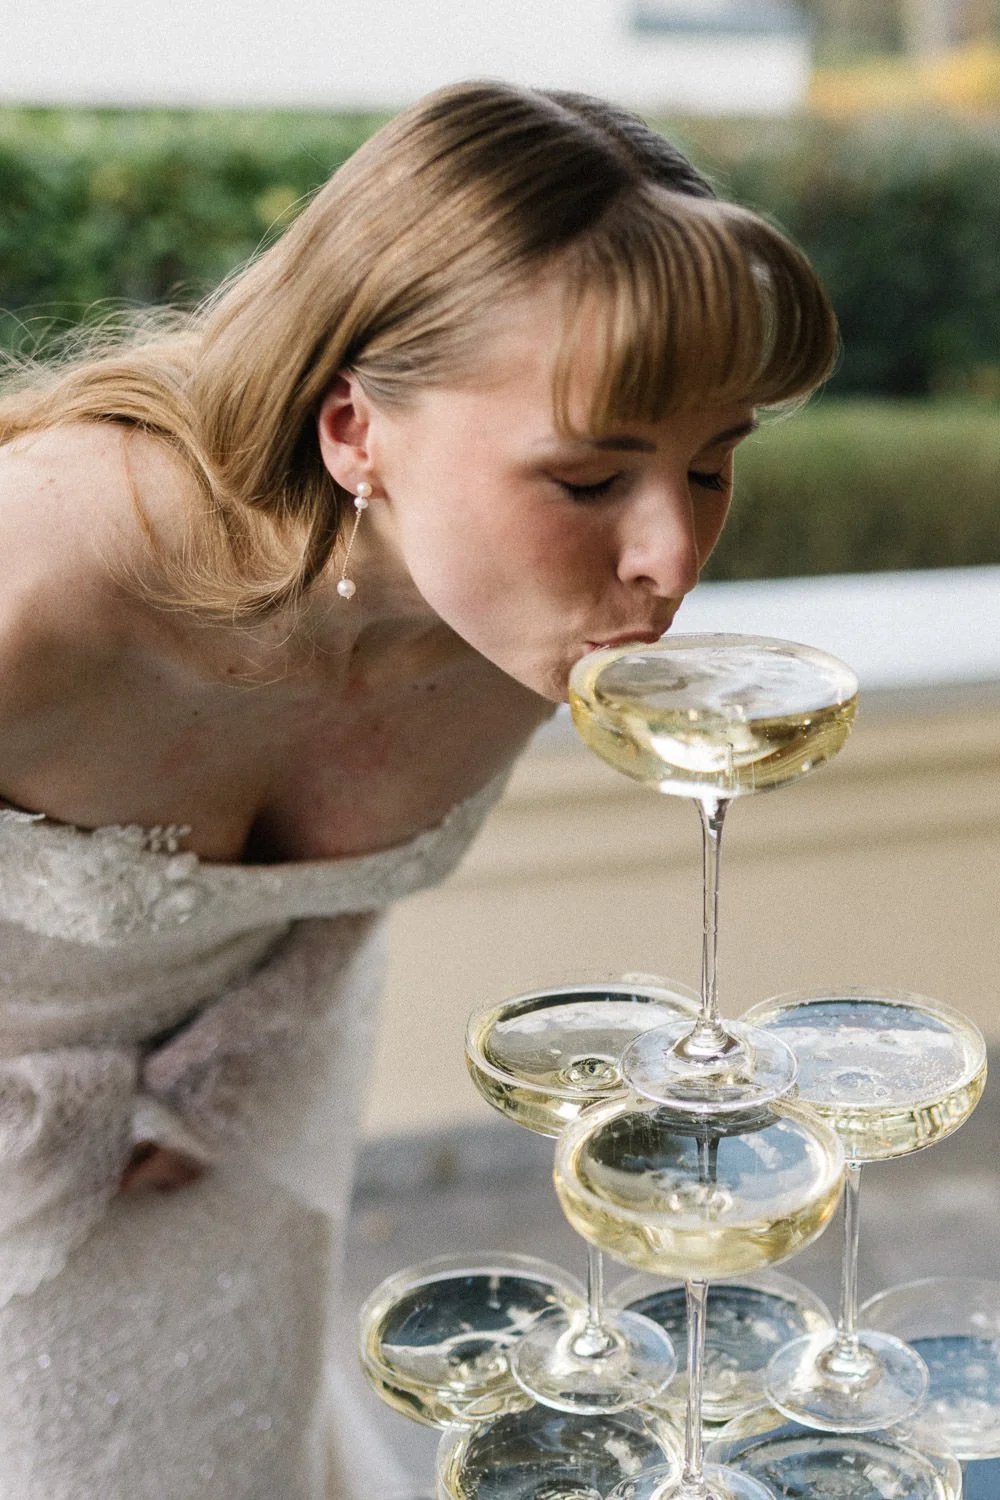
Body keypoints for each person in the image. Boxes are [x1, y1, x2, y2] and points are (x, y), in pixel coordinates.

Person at [0, 80, 837, 1497]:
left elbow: (326, 912)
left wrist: (211, 1087)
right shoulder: (41, 584)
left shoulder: (527, 622)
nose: (671, 560)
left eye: (711, 465)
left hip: (240, 1140)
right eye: (587, 480)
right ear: (352, 432)